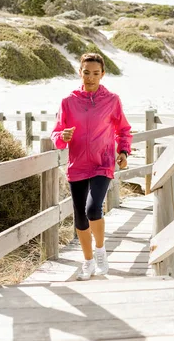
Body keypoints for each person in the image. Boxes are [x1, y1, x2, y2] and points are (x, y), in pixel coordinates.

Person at [51, 53, 132, 280]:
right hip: (77, 165)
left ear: (103, 74)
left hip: (102, 163)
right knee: (79, 217)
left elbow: (123, 130)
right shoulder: (68, 102)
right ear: (80, 72)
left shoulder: (112, 100)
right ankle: (87, 261)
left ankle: (100, 251)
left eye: (96, 73)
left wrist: (123, 151)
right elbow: (56, 134)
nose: (91, 77)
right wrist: (62, 136)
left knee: (93, 208)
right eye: (86, 72)